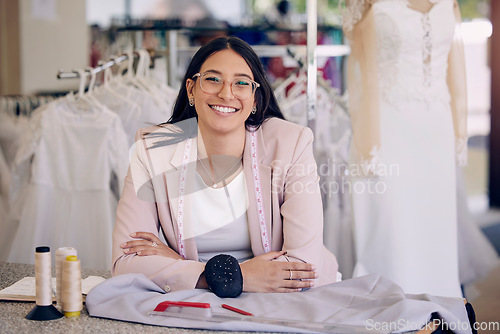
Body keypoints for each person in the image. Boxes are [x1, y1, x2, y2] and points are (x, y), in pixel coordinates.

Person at [112, 36, 340, 296]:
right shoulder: (153, 150)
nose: (226, 93)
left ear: (255, 99)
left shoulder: (291, 144)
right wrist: (224, 276)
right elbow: (126, 262)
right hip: (201, 301)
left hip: (290, 301)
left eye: (241, 83)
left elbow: (300, 269)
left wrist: (182, 267)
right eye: (212, 79)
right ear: (191, 89)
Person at [342, 0, 468, 298]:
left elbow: (456, 68)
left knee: (434, 223)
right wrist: (368, 143)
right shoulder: (367, 2)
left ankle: (440, 302)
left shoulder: (449, 3)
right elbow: (358, 66)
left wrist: (458, 132)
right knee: (392, 221)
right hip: (387, 125)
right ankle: (390, 303)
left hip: (437, 123)